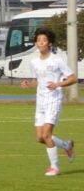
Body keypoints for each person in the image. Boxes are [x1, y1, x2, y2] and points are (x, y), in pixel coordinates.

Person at [20, 27, 76, 176]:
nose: (41, 43)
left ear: (49, 43)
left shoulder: (57, 60)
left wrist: (58, 84)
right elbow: (37, 81)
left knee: (46, 135)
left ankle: (55, 167)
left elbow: (73, 78)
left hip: (54, 100)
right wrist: (28, 84)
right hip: (41, 102)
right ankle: (66, 145)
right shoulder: (34, 62)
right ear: (36, 43)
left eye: (44, 40)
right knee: (40, 138)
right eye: (38, 40)